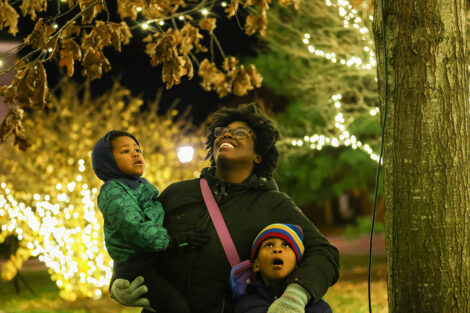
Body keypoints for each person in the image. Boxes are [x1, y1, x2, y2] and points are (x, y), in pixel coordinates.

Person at [110, 104, 340, 313]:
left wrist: (295, 296)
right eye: (221, 132)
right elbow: (136, 238)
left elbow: (324, 253)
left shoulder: (273, 203)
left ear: (259, 155)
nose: (227, 134)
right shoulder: (176, 193)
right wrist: (118, 282)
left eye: (240, 132)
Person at [91, 130, 209, 313]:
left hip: (151, 259)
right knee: (177, 308)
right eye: (125, 151)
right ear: (107, 161)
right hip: (136, 267)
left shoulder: (140, 187)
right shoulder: (113, 191)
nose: (135, 153)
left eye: (137, 149)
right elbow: (132, 226)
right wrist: (174, 241)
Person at [234, 223, 332, 313]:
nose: (277, 249)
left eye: (286, 245)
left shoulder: (317, 307)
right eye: (269, 245)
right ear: (256, 265)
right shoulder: (245, 306)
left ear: (297, 265)